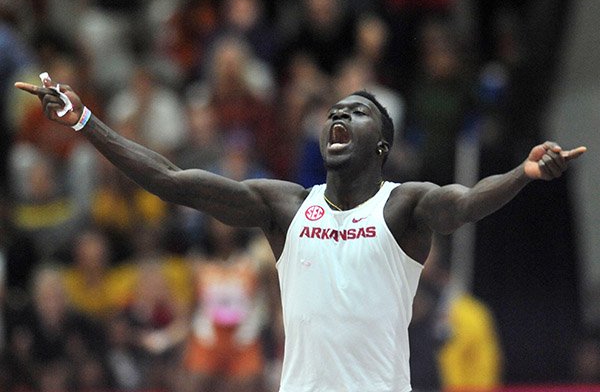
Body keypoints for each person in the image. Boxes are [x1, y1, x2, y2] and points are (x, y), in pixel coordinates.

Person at [15, 77, 586, 392]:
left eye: (357, 112)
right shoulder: (284, 206)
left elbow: (463, 203)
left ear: (381, 145)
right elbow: (171, 180)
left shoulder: (402, 206)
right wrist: (85, 123)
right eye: (335, 110)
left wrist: (524, 174)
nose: (340, 116)